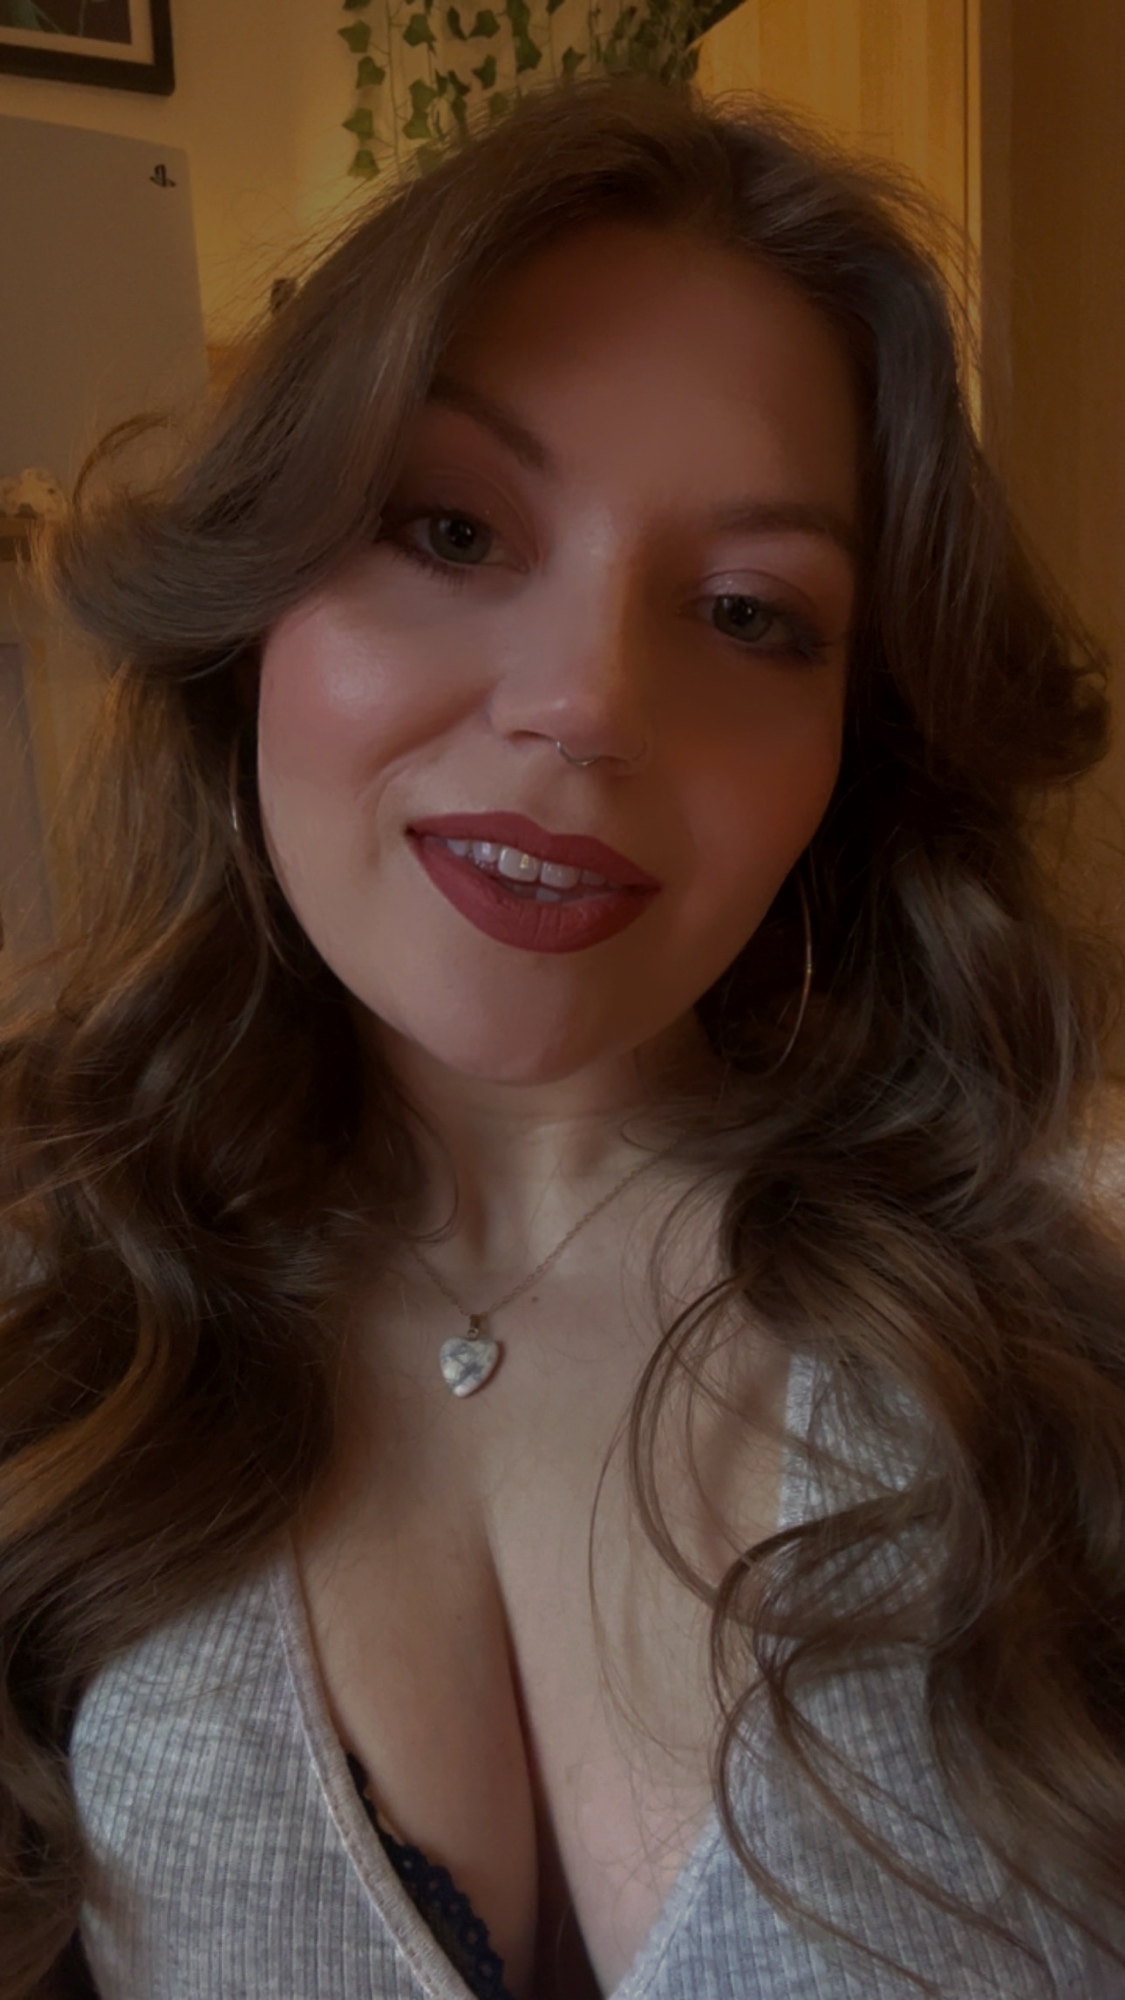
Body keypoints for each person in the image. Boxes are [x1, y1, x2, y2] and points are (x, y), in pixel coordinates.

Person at [1, 75, 1123, 2000]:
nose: (590, 704)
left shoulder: (1069, 1306)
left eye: (749, 613)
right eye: (449, 526)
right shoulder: (50, 1313)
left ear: (853, 750)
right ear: (258, 600)